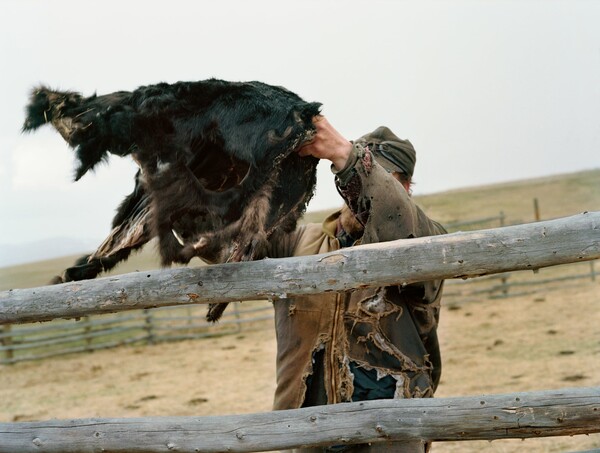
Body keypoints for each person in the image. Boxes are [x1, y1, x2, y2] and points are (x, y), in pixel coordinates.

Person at [267, 116, 447, 453]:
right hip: (310, 435)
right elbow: (224, 243)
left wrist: (348, 158)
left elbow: (399, 219)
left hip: (390, 437)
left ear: (405, 189)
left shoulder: (426, 240)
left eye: (377, 177)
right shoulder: (298, 242)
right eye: (354, 177)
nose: (357, 189)